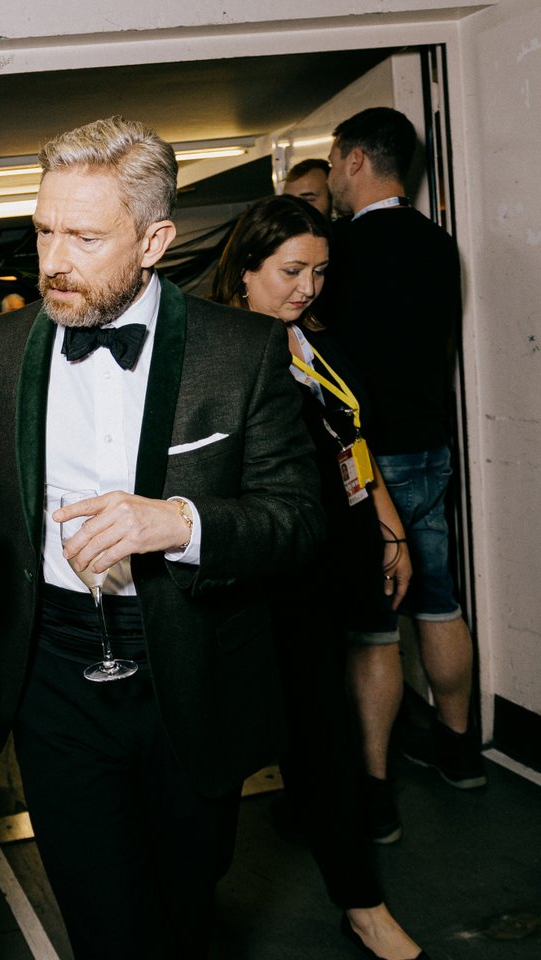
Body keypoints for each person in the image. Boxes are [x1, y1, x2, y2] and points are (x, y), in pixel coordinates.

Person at [0, 116, 324, 959]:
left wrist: (179, 523)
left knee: (187, 908)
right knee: (104, 920)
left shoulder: (245, 351)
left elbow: (299, 522)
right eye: (44, 229)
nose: (51, 259)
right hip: (51, 671)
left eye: (83, 237)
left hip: (188, 669)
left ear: (154, 239)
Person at [213, 194, 429, 960]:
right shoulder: (224, 355)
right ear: (246, 271)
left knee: (326, 737)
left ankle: (361, 903)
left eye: (320, 272)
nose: (306, 287)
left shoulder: (315, 347)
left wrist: (390, 529)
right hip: (258, 585)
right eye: (291, 271)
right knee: (225, 755)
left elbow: (354, 446)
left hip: (327, 570)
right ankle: (185, 906)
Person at [322, 107, 485, 844]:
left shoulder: (343, 253)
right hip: (432, 451)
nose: (328, 177)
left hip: (371, 467)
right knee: (442, 605)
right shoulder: (439, 244)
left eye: (332, 162)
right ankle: (459, 752)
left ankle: (378, 790)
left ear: (357, 160)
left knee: (374, 631)